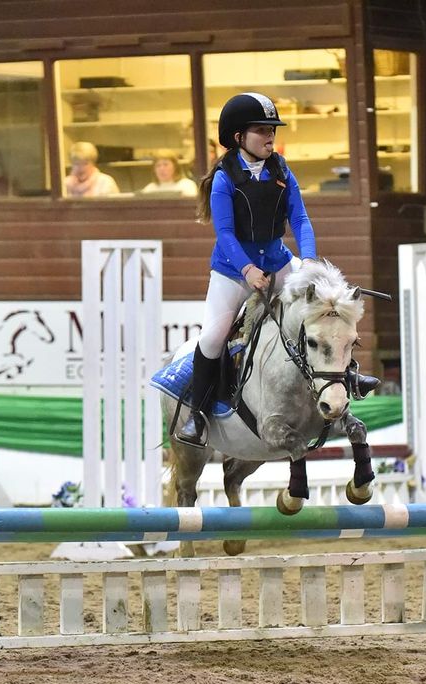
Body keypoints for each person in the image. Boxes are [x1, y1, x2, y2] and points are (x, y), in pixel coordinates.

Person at [175, 92, 319, 448]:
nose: (270, 136)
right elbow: (224, 234)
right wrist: (248, 270)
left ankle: (345, 380)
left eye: (272, 129)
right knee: (211, 338)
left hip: (278, 261)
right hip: (232, 270)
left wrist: (310, 259)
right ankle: (199, 414)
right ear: (239, 137)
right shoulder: (224, 179)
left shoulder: (282, 169)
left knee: (321, 306)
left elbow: (299, 218)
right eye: (261, 130)